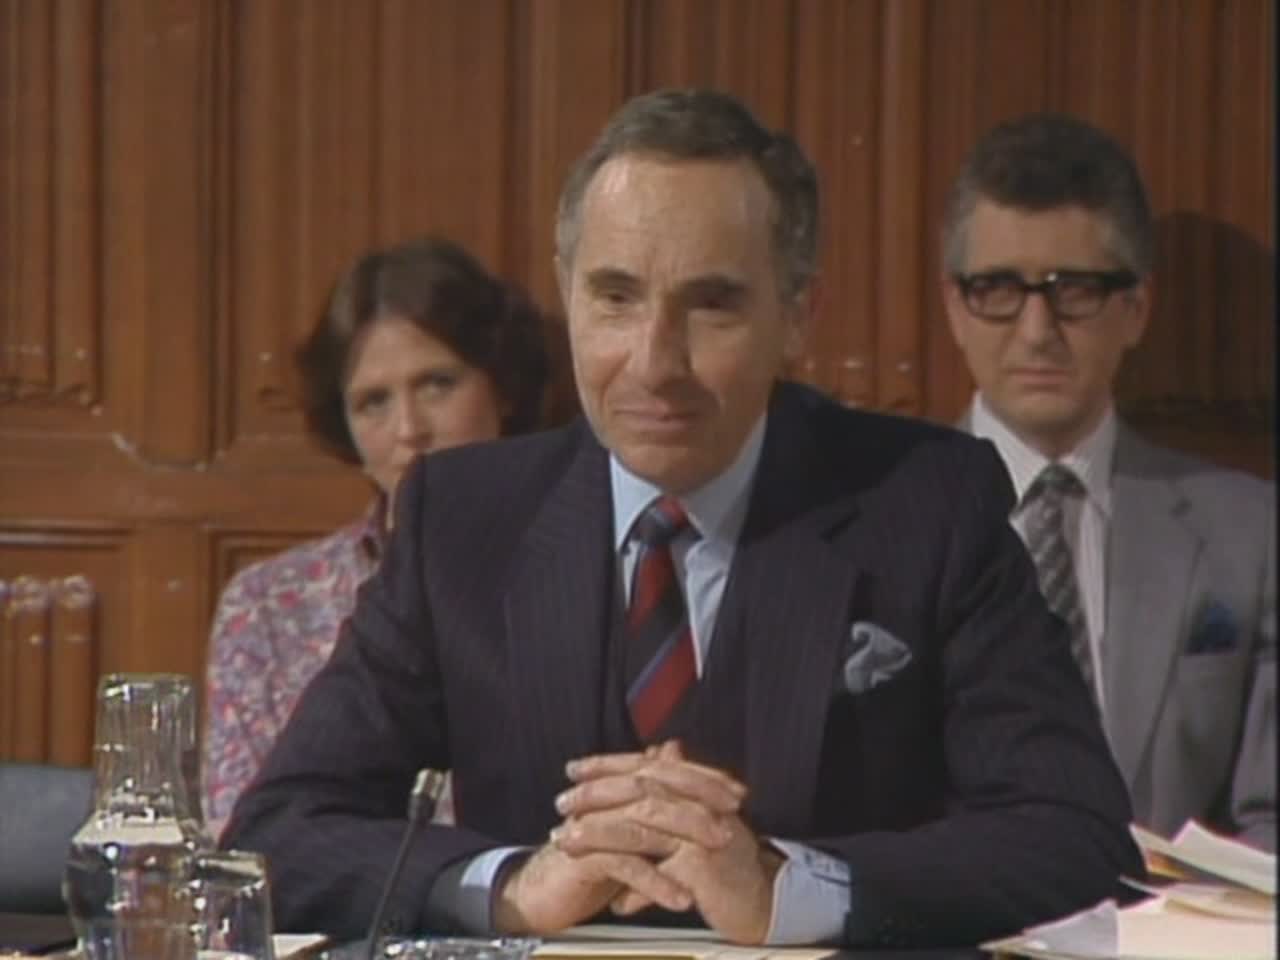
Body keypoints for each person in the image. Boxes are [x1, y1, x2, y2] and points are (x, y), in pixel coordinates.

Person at [223, 90, 1141, 949]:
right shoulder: (461, 518)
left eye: (712, 304)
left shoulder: (927, 500)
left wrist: (790, 888)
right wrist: (509, 885)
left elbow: (1075, 837)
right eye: (615, 297)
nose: (655, 363)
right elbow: (278, 833)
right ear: (567, 293)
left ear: (797, 315)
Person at [941, 113, 1276, 851]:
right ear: (955, 308)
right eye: (999, 289)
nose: (1037, 332)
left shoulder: (1252, 534)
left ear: (1136, 309)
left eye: (1075, 291)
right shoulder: (871, 520)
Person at [201, 236, 552, 838]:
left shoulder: (586, 565)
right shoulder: (265, 606)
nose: (409, 430)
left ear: (503, 388)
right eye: (373, 403)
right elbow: (242, 838)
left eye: (438, 384)